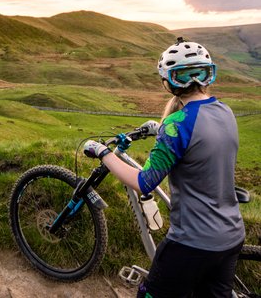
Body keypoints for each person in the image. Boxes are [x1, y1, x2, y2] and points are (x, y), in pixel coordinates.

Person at [84, 37, 245, 298]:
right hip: (231, 235)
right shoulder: (224, 111)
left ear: (168, 82)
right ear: (208, 76)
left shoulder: (176, 125)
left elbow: (144, 182)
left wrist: (103, 153)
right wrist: (161, 130)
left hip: (192, 242)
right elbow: (199, 139)